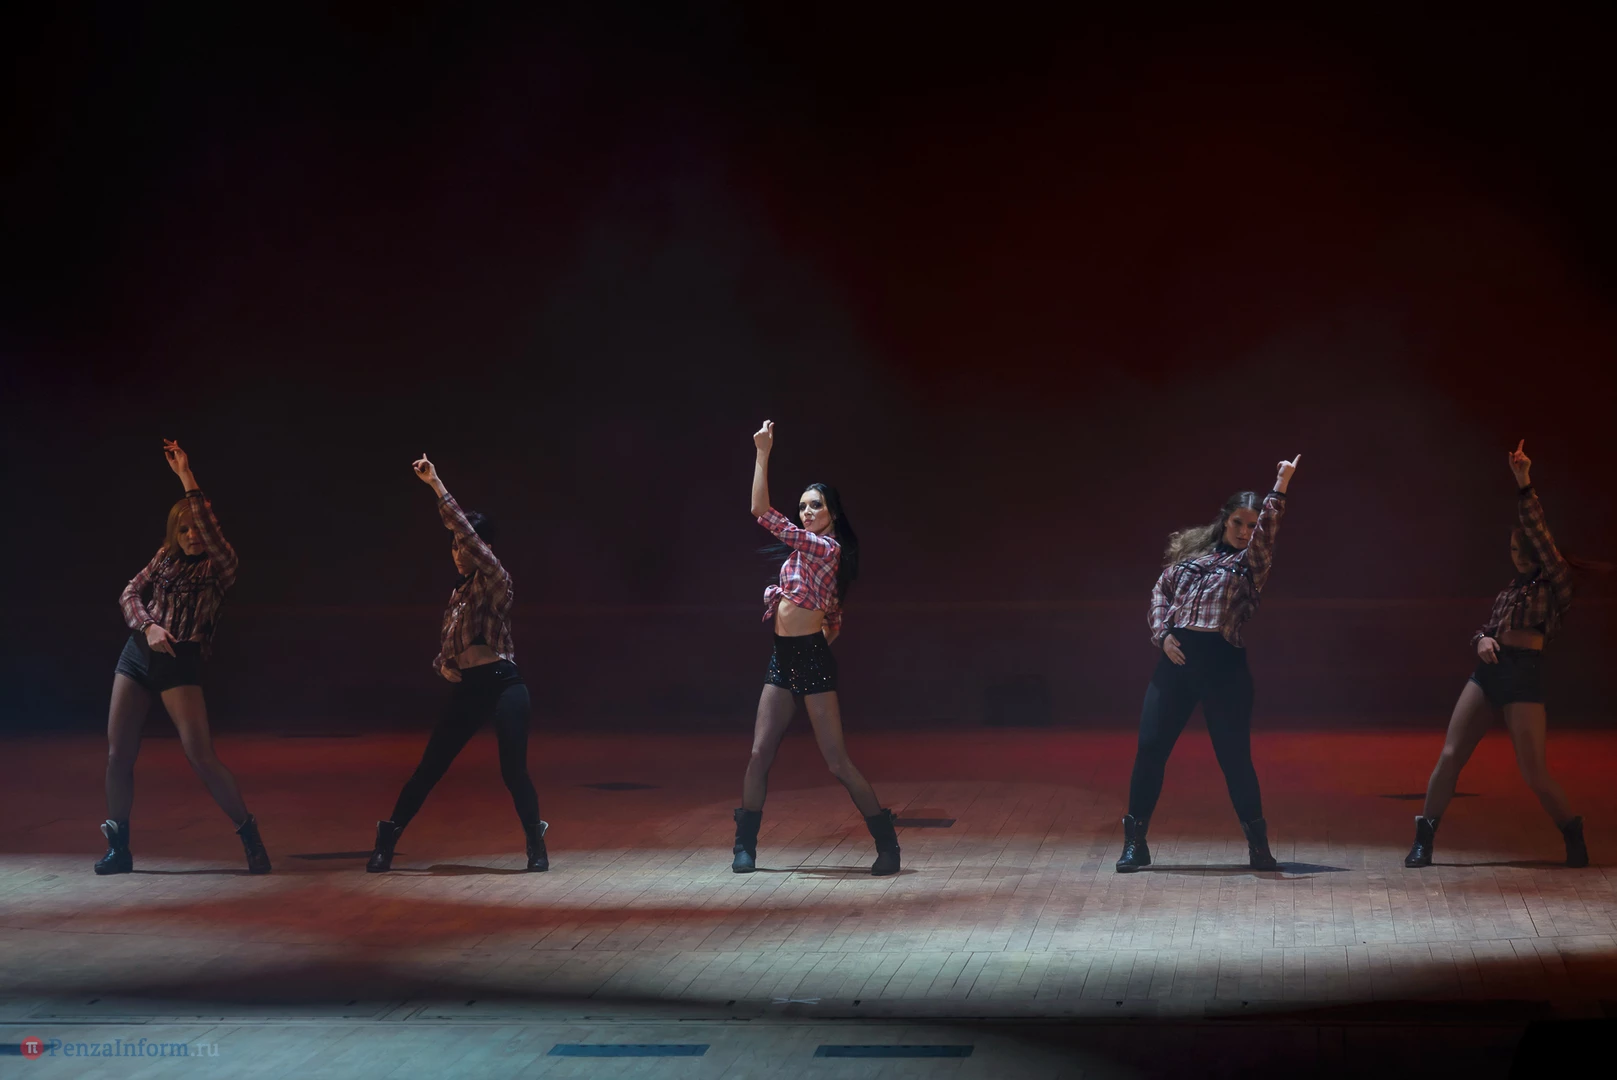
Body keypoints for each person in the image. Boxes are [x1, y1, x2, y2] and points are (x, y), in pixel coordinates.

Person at [1405, 441, 1599, 869]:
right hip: (1489, 671)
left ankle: (1571, 830)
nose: (1517, 558)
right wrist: (1481, 639)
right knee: (1451, 755)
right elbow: (1487, 628)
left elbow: (1539, 531)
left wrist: (1523, 481)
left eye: (1523, 551)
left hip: (1524, 675)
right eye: (1513, 550)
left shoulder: (1556, 582)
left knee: (1534, 772)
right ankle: (1424, 838)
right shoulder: (1510, 590)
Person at [1116, 454, 1301, 873]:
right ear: (1225, 520)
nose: (1245, 532)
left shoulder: (1251, 562)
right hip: (1177, 664)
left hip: (1223, 668)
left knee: (1234, 758)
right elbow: (1159, 592)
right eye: (1238, 523)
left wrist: (1281, 484)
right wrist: (1162, 635)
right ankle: (1134, 843)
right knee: (1150, 750)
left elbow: (1268, 530)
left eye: (1251, 525)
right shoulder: (1191, 561)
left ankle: (1258, 847)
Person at [730, 420, 900, 876]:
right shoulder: (801, 557)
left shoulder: (827, 549)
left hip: (810, 661)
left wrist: (762, 452)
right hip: (782, 659)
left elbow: (761, 511)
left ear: (832, 513)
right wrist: (809, 633)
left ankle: (887, 843)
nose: (806, 512)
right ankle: (744, 845)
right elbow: (835, 619)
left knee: (837, 762)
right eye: (802, 506)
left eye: (815, 506)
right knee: (758, 754)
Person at [365, 454, 548, 873]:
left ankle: (535, 843)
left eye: (465, 545)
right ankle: (386, 840)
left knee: (513, 770)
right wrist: (444, 665)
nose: (459, 552)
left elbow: (465, 531)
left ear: (484, 548)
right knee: (430, 767)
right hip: (470, 688)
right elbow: (449, 648)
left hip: (504, 684)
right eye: (453, 547)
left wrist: (436, 484)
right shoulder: (458, 595)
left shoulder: (497, 580)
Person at [97, 440, 269, 875]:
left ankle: (249, 835)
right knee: (118, 755)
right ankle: (119, 848)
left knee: (200, 756)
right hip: (138, 655)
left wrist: (186, 476)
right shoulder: (163, 559)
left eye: (199, 529)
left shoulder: (221, 566)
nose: (193, 535)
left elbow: (209, 529)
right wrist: (148, 626)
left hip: (180, 662)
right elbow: (128, 593)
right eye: (185, 529)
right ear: (174, 533)